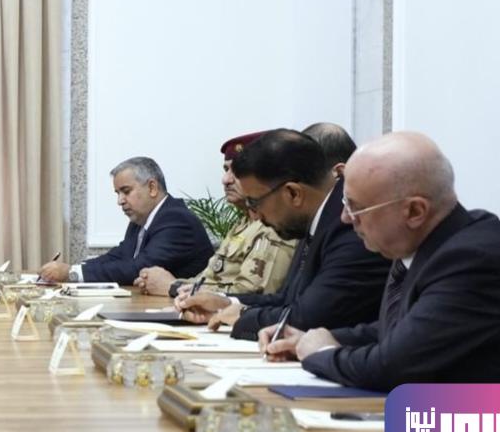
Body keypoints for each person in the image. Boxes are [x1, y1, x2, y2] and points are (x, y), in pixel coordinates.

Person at [269, 132, 500, 418]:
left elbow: (392, 367)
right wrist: (320, 338)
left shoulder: (473, 260)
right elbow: (403, 331)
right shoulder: (432, 243)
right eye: (346, 204)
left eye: (356, 208)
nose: (346, 218)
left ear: (414, 212)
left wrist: (321, 353)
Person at [175, 129, 388, 340]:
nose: (255, 215)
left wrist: (243, 315)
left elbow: (309, 318)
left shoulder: (349, 226)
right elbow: (288, 299)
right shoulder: (312, 217)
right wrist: (226, 303)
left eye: (254, 202)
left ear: (293, 193)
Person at [135, 132, 297, 299]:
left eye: (238, 170)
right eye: (226, 170)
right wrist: (162, 282)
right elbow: (208, 279)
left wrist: (173, 287)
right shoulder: (242, 224)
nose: (226, 180)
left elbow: (253, 294)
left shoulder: (275, 226)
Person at [40, 157, 210, 285]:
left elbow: (140, 268)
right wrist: (73, 268)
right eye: (118, 193)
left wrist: (72, 273)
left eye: (126, 191)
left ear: (152, 188)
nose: (120, 201)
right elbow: (120, 255)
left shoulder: (176, 219)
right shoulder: (141, 219)